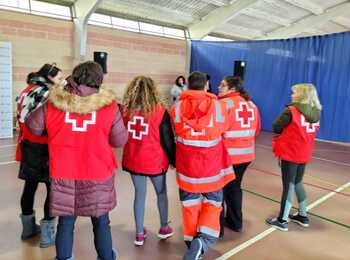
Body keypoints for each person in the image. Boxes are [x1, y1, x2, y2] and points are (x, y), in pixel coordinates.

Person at [26, 61, 128, 260]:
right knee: (101, 222)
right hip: (97, 172)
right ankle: (106, 256)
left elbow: (33, 127)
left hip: (64, 171)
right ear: (99, 80)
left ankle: (64, 258)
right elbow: (119, 140)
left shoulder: (55, 102)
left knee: (66, 222)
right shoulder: (109, 106)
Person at [170, 71, 235, 260]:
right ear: (206, 85)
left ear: (188, 85)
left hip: (187, 168)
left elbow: (176, 131)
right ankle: (202, 241)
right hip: (212, 168)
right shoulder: (219, 107)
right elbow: (225, 128)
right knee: (213, 204)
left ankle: (192, 244)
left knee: (189, 205)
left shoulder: (177, 108)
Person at [121, 76, 176, 246]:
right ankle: (164, 227)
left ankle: (139, 233)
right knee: (161, 193)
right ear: (153, 91)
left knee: (139, 195)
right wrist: (174, 160)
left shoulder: (125, 111)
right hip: (154, 161)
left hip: (134, 160)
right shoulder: (160, 111)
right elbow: (167, 140)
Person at [16, 63, 63, 248]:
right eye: (59, 78)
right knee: (52, 189)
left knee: (30, 186)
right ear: (50, 78)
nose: (61, 82)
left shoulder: (26, 90)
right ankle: (47, 236)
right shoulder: (48, 94)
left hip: (28, 145)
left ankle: (27, 230)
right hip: (47, 147)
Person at [266, 83, 321, 231]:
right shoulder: (316, 112)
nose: (292, 95)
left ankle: (282, 220)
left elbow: (276, 126)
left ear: (301, 95)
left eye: (294, 92)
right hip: (304, 152)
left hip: (291, 152)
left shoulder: (291, 110)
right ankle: (303, 215)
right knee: (297, 182)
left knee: (288, 185)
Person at [218, 76, 260, 235]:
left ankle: (218, 227)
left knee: (219, 190)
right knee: (235, 188)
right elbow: (256, 131)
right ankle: (235, 223)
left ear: (233, 89)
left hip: (227, 156)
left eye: (223, 85)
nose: (219, 86)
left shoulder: (223, 104)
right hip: (246, 156)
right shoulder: (252, 105)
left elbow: (216, 130)